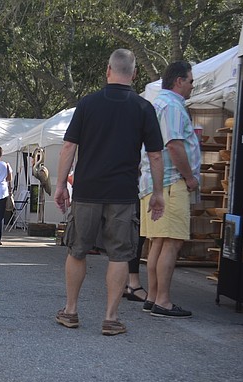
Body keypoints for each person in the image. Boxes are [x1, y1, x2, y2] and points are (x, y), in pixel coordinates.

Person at [53, 48, 164, 336]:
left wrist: (60, 184)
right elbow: (155, 156)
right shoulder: (143, 107)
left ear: (108, 70)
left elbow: (68, 147)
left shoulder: (88, 104)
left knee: (77, 250)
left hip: (87, 190)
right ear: (135, 74)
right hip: (123, 193)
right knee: (119, 255)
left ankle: (71, 311)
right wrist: (159, 193)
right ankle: (111, 318)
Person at [138, 61, 200, 318]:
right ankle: (162, 299)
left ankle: (153, 296)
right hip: (170, 182)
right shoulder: (173, 106)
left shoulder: (156, 104)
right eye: (190, 81)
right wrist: (190, 177)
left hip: (154, 182)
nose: (192, 86)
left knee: (157, 243)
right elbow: (174, 146)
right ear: (179, 81)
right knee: (171, 242)